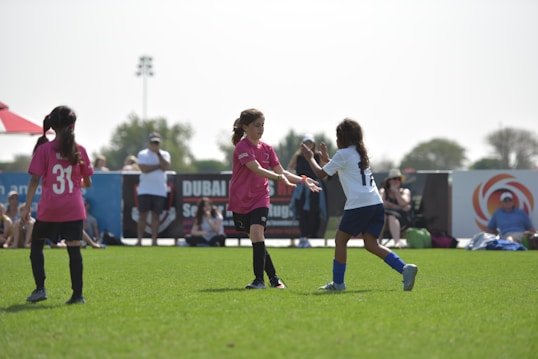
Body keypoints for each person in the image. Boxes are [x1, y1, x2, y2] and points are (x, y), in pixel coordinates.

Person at [301, 118, 418, 291]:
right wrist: (327, 160)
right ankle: (405, 268)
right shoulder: (358, 153)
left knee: (340, 240)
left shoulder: (344, 154)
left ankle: (338, 283)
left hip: (359, 204)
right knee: (371, 244)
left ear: (342, 137)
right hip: (376, 203)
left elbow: (320, 174)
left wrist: (310, 158)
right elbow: (345, 167)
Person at [228, 109, 322, 289]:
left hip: (260, 198)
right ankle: (274, 279)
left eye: (262, 125)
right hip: (240, 200)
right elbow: (255, 168)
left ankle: (258, 281)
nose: (261, 129)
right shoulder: (242, 147)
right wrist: (279, 178)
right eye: (257, 125)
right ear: (245, 127)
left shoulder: (267, 149)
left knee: (257, 234)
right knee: (258, 240)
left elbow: (283, 172)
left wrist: (302, 180)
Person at [20, 105, 94, 304]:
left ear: (53, 125)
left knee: (36, 245)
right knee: (74, 251)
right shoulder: (81, 150)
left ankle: (40, 289)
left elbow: (34, 180)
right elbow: (87, 182)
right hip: (74, 209)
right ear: (73, 125)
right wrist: (75, 183)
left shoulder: (44, 149)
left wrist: (27, 207)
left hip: (50, 209)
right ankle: (77, 295)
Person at [287, 134, 327, 248]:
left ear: (313, 144)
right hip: (301, 189)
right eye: (306, 142)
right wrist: (297, 178)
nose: (309, 145)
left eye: (310, 143)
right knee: (302, 213)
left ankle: (308, 237)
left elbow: (325, 170)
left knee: (313, 213)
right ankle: (303, 238)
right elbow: (289, 167)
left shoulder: (318, 156)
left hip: (314, 188)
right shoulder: (298, 156)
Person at [136, 132, 171, 246]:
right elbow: (144, 169)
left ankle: (154, 240)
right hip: (145, 190)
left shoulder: (164, 154)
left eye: (156, 143)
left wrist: (159, 156)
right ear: (148, 143)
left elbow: (166, 166)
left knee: (156, 216)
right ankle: (140, 240)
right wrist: (158, 166)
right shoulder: (143, 154)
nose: (154, 145)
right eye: (152, 143)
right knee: (143, 215)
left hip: (159, 190)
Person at [378, 168, 412, 249]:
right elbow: (381, 203)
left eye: (398, 179)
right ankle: (379, 242)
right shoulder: (383, 191)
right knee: (385, 216)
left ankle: (397, 242)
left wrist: (396, 192)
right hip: (384, 218)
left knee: (391, 217)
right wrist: (398, 206)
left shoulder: (405, 191)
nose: (396, 181)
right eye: (394, 178)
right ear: (389, 181)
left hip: (401, 219)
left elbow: (404, 202)